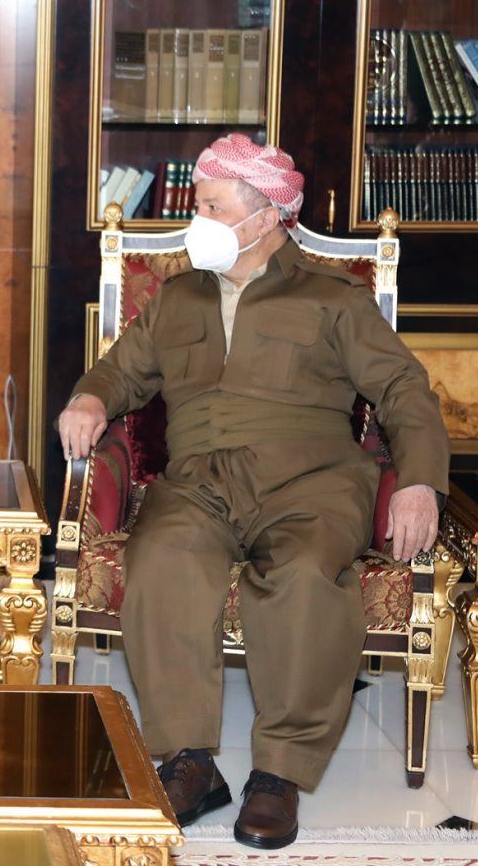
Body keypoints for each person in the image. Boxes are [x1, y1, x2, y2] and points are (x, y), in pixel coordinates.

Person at [57, 134, 449, 849]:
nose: (195, 219)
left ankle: (278, 773)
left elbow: (403, 388)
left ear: (264, 216)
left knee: (302, 575)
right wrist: (89, 398)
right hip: (200, 482)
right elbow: (121, 371)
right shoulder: (178, 298)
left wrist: (419, 480)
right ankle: (189, 761)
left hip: (313, 481)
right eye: (198, 204)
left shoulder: (333, 298)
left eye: (211, 206)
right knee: (162, 559)